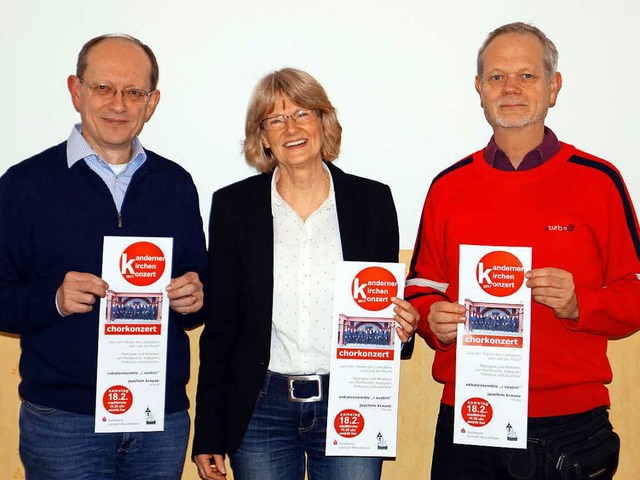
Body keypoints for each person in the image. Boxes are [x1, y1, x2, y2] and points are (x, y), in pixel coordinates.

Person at [406, 22, 640, 480]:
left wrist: (581, 304)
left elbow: (635, 293)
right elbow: (420, 287)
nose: (510, 88)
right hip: (468, 420)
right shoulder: (448, 186)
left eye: (527, 76)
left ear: (553, 87)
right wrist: (433, 320)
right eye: (496, 77)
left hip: (571, 425)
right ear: (479, 88)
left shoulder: (599, 181)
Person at [192, 68, 419, 480]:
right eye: (275, 119)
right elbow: (221, 327)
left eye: (302, 114)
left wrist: (402, 329)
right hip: (260, 407)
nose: (290, 128)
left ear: (322, 122)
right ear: (262, 136)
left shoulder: (372, 201)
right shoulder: (233, 207)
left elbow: (384, 310)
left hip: (352, 398)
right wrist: (208, 431)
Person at [0, 34, 207, 479]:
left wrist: (194, 296)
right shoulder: (25, 184)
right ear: (76, 91)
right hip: (65, 423)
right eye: (103, 88)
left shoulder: (176, 184)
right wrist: (52, 299)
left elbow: (198, 288)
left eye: (133, 92)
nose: (118, 104)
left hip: (160, 421)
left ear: (151, 103)